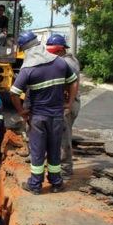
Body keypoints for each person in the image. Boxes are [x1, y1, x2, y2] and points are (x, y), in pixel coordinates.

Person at [10, 31, 78, 195]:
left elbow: (13, 93)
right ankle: (56, 183)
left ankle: (35, 185)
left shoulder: (28, 70)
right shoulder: (60, 64)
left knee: (38, 152)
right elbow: (73, 81)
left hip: (38, 118)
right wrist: (69, 102)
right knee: (55, 150)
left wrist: (21, 111)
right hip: (56, 116)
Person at [46, 34, 81, 180]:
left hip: (67, 106)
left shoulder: (68, 64)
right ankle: (55, 163)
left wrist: (68, 103)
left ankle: (65, 169)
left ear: (60, 50)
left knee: (63, 139)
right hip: (64, 104)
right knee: (56, 136)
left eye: (53, 53)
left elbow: (72, 84)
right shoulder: (64, 61)